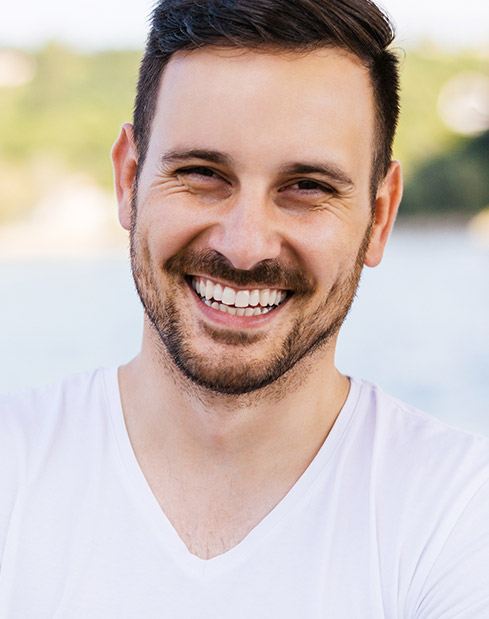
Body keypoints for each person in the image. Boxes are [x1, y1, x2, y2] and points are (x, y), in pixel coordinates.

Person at [1, 0, 488, 616]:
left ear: (380, 216)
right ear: (128, 180)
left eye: (306, 187)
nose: (245, 244)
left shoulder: (460, 516)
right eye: (202, 173)